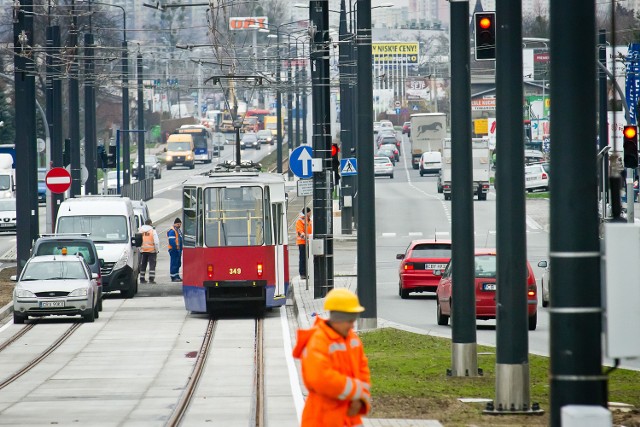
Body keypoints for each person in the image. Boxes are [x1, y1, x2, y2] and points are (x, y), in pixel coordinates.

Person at [292, 288, 371, 426]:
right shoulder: (318, 341)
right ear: (338, 320)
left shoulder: (352, 340)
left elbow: (363, 370)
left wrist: (361, 400)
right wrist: (356, 392)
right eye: (350, 321)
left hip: (349, 417)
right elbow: (321, 379)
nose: (353, 325)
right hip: (323, 419)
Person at [138, 219, 159, 283]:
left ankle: (142, 278)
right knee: (152, 265)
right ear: (150, 223)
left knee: (143, 264)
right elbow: (156, 242)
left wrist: (140, 249)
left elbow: (138, 240)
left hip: (143, 250)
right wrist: (157, 250)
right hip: (152, 251)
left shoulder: (140, 231)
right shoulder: (153, 231)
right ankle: (151, 279)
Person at [296, 207, 312, 279]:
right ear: (307, 213)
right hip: (302, 243)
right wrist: (306, 236)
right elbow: (300, 232)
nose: (311, 213)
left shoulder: (309, 220)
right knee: (303, 258)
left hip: (308, 242)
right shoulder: (300, 221)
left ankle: (305, 273)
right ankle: (302, 274)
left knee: (306, 258)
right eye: (310, 212)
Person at [167, 217, 183, 282]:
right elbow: (172, 241)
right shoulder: (172, 231)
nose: (179, 225)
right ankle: (173, 277)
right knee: (174, 263)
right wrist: (176, 249)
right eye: (178, 224)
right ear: (175, 224)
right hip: (174, 250)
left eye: (180, 224)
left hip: (178, 250)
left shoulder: (178, 231)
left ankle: (177, 276)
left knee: (178, 263)